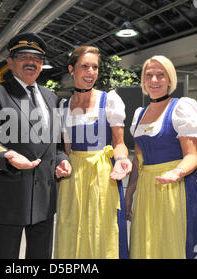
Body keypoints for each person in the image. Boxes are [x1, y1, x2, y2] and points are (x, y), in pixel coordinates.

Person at [0, 32, 71, 259]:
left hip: (44, 197)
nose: (31, 62)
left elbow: (55, 146)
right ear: (10, 61)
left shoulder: (52, 98)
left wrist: (62, 161)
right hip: (9, 195)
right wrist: (8, 156)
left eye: (37, 58)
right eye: (23, 56)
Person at [53, 46, 132, 259]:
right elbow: (66, 149)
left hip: (103, 175)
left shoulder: (109, 101)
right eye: (84, 67)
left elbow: (120, 143)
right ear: (72, 69)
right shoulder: (63, 106)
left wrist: (122, 159)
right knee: (72, 230)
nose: (90, 72)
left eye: (94, 67)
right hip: (73, 178)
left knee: (102, 233)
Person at [126, 55, 197, 259]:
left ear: (170, 80)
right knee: (148, 245)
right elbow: (138, 161)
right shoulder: (139, 114)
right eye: (149, 75)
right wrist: (129, 193)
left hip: (177, 188)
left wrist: (176, 173)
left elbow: (192, 156)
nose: (154, 80)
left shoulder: (181, 107)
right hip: (146, 191)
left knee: (173, 244)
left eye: (161, 75)